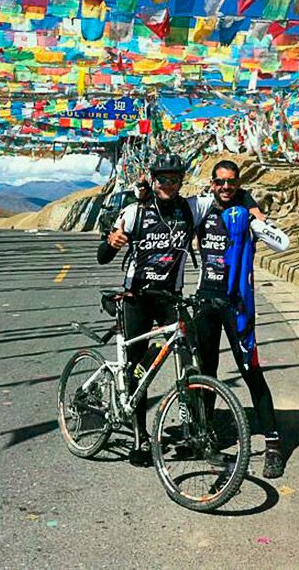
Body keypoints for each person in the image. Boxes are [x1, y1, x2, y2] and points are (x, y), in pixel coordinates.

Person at [97, 152, 199, 467]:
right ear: (153, 181)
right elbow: (103, 256)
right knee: (137, 368)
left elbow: (229, 193)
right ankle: (140, 439)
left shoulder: (190, 208)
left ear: (182, 181)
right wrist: (111, 242)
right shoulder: (133, 212)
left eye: (175, 179)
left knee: (189, 357)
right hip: (136, 299)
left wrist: (251, 206)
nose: (169, 184)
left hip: (170, 298)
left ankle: (192, 429)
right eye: (163, 179)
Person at [192, 159, 286, 479]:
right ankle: (206, 436)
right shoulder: (202, 210)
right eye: (220, 182)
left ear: (239, 183)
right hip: (206, 301)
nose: (226, 187)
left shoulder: (249, 216)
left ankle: (273, 444)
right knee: (205, 372)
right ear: (212, 183)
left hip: (238, 305)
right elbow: (173, 209)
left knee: (251, 370)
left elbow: (280, 242)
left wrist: (253, 209)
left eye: (232, 182)